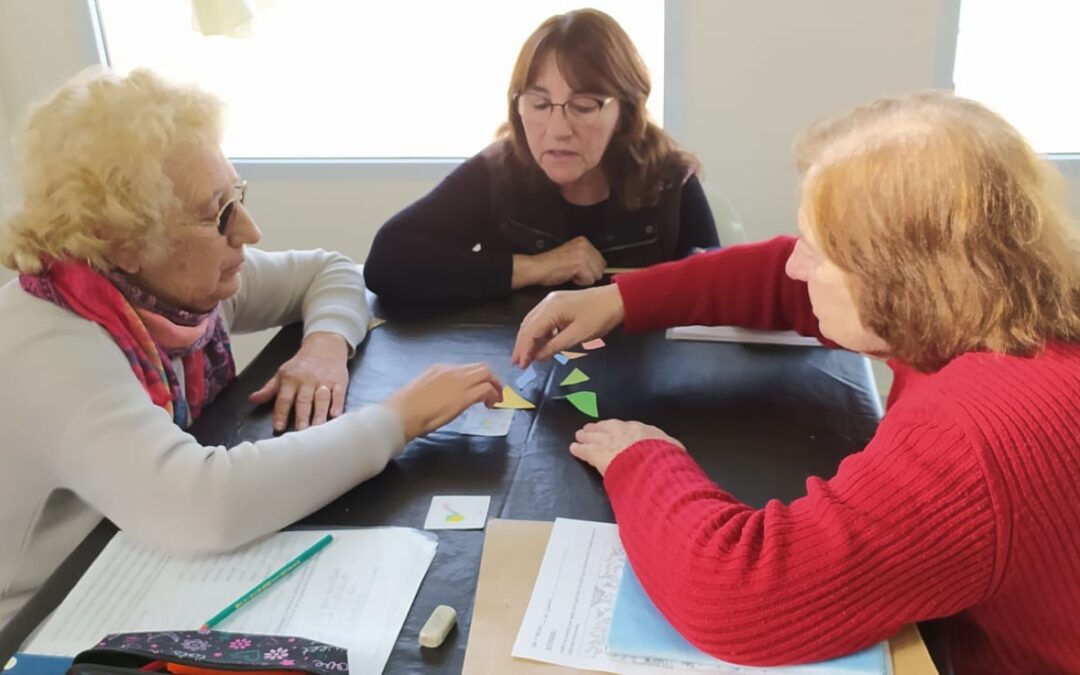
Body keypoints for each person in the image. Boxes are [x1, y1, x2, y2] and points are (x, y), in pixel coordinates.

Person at [510, 91, 1080, 674]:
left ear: (900, 277)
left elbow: (738, 596)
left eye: (818, 251)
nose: (795, 265)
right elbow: (778, 279)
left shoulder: (977, 429)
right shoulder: (1006, 306)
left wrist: (644, 458)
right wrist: (620, 298)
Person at [0, 68, 502, 626]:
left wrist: (324, 346)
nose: (250, 230)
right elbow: (202, 504)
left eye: (236, 196)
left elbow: (331, 271)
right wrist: (396, 421)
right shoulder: (54, 348)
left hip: (121, 559)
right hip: (40, 618)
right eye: (217, 213)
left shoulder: (164, 293)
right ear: (127, 241)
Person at [363, 8, 718, 301]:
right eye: (540, 103)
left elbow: (716, 291)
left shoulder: (668, 179)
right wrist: (538, 266)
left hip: (639, 374)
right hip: (516, 371)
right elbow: (387, 262)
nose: (557, 129)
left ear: (624, 111)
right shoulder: (499, 169)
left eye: (582, 106)